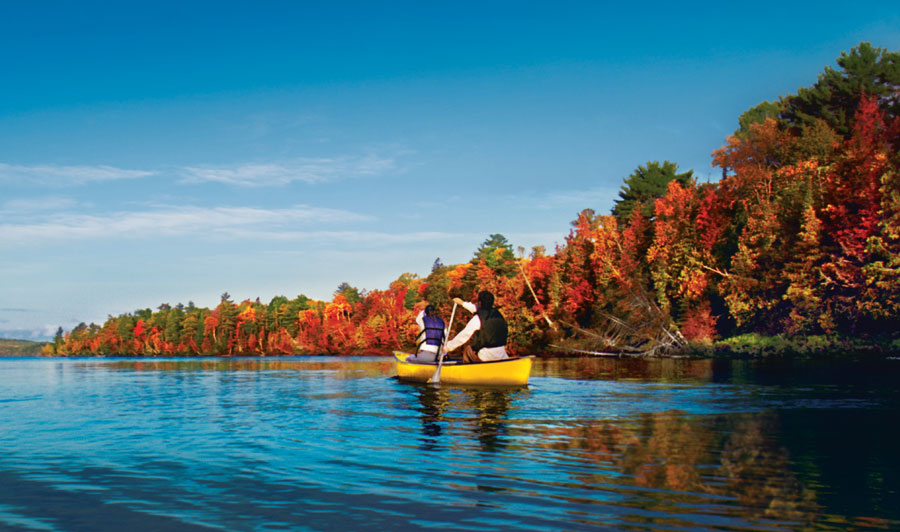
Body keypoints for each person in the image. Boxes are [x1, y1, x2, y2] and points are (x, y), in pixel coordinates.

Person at [443, 290, 509, 363]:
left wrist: (447, 347)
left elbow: (463, 336)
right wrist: (462, 303)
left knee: (468, 349)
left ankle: (469, 372)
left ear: (480, 303)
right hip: (502, 355)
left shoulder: (477, 319)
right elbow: (477, 308)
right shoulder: (498, 315)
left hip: (486, 357)